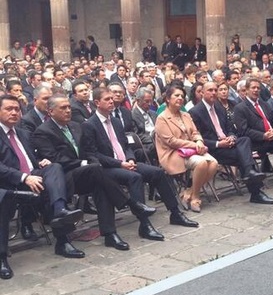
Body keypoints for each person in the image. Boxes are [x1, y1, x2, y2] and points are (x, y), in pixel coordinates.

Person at [33, 94, 163, 249]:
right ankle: (131, 204)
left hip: (87, 172)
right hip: (64, 177)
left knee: (100, 184)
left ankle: (110, 234)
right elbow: (55, 159)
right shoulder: (43, 131)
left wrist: (91, 162)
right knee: (97, 172)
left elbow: (89, 151)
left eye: (68, 107)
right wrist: (85, 163)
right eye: (63, 108)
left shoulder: (75, 126)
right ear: (50, 111)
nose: (68, 110)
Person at [81, 87, 198, 227]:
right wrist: (119, 163)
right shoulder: (89, 125)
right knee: (135, 177)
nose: (112, 101)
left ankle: (176, 213)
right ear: (97, 102)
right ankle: (145, 224)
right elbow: (93, 154)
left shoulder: (116, 122)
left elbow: (126, 146)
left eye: (112, 98)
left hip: (126, 162)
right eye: (107, 99)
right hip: (108, 167)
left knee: (158, 172)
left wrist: (130, 159)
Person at [0, 95, 84, 262]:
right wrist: (24, 177)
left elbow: (29, 158)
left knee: (54, 168)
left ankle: (61, 223)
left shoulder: (23, 134)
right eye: (9, 109)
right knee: (51, 189)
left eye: (17, 109)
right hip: (9, 183)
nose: (14, 112)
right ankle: (2, 257)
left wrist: (40, 162)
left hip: (34, 177)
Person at [190, 82, 273, 205]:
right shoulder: (195, 112)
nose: (214, 93)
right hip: (214, 149)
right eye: (210, 90)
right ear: (202, 93)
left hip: (228, 144)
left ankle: (250, 177)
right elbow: (198, 138)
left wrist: (231, 137)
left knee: (245, 140)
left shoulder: (219, 108)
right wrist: (219, 144)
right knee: (243, 155)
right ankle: (256, 192)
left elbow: (231, 128)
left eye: (215, 90)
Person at [155, 85, 218, 213]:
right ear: (167, 99)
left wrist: (199, 140)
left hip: (191, 150)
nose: (180, 98)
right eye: (176, 95)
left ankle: (189, 192)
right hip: (173, 153)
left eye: (182, 96)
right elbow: (171, 141)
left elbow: (195, 132)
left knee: (214, 163)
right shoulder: (162, 118)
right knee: (202, 163)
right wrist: (195, 145)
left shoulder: (185, 115)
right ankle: (196, 197)